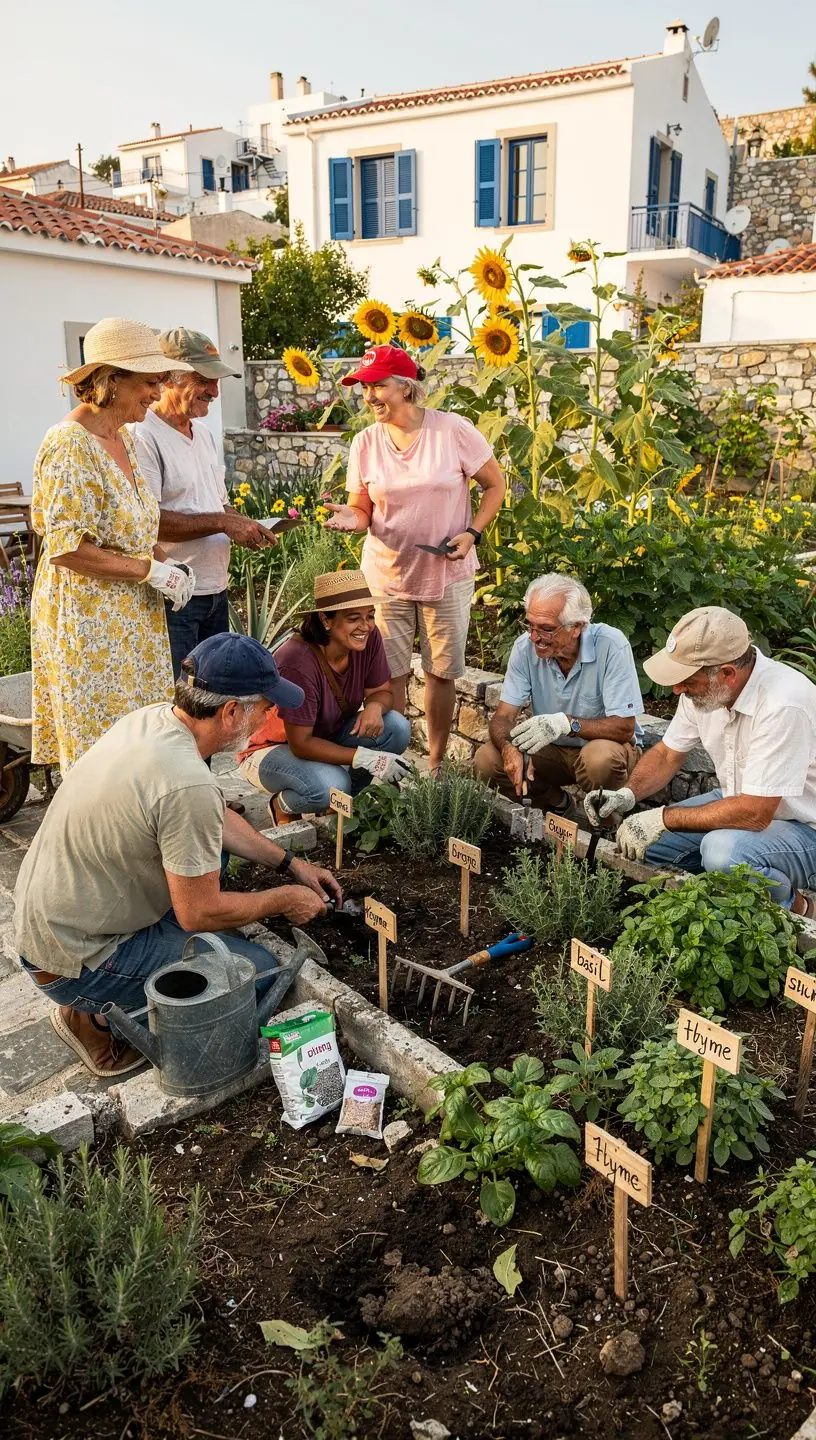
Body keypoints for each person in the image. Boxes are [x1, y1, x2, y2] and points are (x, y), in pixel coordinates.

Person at [14, 633, 343, 1078]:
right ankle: (93, 1017)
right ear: (231, 712)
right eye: (266, 708)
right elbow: (197, 913)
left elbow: (216, 820)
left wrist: (291, 864)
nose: (271, 716)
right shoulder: (186, 782)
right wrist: (283, 899)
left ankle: (117, 989)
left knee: (212, 856)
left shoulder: (153, 720)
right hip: (77, 960)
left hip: (52, 922)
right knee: (256, 972)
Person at [323, 345, 505, 771]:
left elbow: (495, 485)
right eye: (364, 388)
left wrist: (472, 533)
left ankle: (436, 764)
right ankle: (395, 764)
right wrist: (352, 518)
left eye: (377, 386)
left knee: (441, 672)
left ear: (406, 388)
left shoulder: (452, 430)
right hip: (385, 577)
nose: (369, 396)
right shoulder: (365, 442)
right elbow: (362, 508)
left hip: (446, 573)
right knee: (389, 676)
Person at [31, 317, 197, 774]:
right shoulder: (70, 445)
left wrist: (169, 565)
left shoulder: (122, 436)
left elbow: (134, 529)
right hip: (90, 622)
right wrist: (150, 572)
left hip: (132, 620)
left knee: (140, 744)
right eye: (149, 382)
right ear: (111, 380)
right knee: (101, 755)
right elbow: (66, 549)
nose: (157, 394)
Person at [584, 606, 816, 914]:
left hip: (804, 825)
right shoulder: (708, 692)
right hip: (741, 800)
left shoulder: (783, 703)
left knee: (723, 854)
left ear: (727, 673)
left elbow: (755, 813)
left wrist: (663, 818)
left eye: (687, 681)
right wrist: (628, 794)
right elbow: (668, 754)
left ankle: (800, 910)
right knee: (645, 846)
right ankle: (728, 893)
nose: (677, 689)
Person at [132, 327, 275, 678]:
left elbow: (216, 504)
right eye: (204, 379)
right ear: (167, 378)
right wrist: (224, 523)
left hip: (215, 590)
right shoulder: (143, 436)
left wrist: (245, 525)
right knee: (180, 695)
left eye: (216, 380)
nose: (214, 391)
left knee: (212, 694)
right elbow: (149, 523)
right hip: (176, 596)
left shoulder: (204, 435)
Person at [239, 570, 411, 821]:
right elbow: (301, 744)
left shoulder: (368, 639)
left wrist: (374, 707)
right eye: (354, 618)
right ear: (326, 620)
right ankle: (283, 806)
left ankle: (338, 805)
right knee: (331, 785)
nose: (365, 626)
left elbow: (382, 692)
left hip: (326, 734)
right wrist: (366, 758)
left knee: (397, 727)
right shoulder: (297, 661)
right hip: (271, 749)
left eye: (370, 616)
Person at [474, 575, 643, 811]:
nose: (534, 637)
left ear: (577, 627)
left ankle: (606, 822)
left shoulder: (611, 645)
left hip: (604, 748)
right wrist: (508, 747)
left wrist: (566, 724)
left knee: (599, 760)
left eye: (547, 629)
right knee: (487, 760)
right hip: (552, 749)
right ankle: (557, 804)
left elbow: (624, 727)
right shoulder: (524, 647)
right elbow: (504, 716)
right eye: (530, 625)